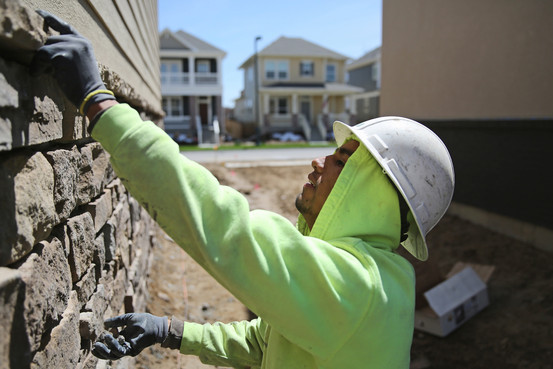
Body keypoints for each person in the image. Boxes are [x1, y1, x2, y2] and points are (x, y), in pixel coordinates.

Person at [31, 11, 454, 369]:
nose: (318, 163)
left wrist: (97, 103)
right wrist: (173, 331)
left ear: (372, 197)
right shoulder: (371, 279)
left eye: (341, 162)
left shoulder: (356, 287)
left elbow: (224, 227)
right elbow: (269, 341)